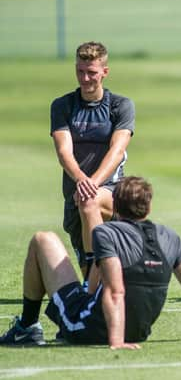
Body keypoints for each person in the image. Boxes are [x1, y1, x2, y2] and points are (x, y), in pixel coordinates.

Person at [0, 177, 181, 347]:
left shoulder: (105, 232)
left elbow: (113, 290)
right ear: (148, 208)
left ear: (114, 207)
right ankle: (31, 327)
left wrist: (115, 342)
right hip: (138, 332)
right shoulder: (169, 236)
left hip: (92, 329)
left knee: (43, 239)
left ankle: (27, 327)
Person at [50, 41, 134, 283]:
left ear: (104, 72)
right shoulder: (62, 106)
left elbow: (117, 151)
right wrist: (81, 181)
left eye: (92, 73)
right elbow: (64, 152)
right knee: (90, 277)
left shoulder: (121, 106)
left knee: (90, 202)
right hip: (74, 194)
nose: (85, 79)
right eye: (80, 71)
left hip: (111, 192)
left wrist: (91, 185)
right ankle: (94, 279)